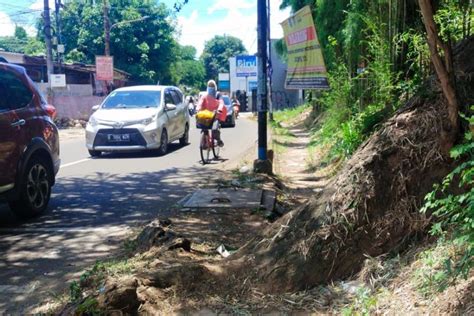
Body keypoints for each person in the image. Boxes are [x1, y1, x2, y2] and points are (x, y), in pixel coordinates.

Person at [196, 80, 227, 146]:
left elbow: (221, 102)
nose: (211, 88)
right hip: (206, 115)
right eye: (210, 86)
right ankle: (205, 142)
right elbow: (200, 103)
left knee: (215, 129)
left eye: (212, 86)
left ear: (215, 87)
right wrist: (198, 109)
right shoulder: (204, 95)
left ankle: (218, 140)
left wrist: (219, 109)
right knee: (203, 127)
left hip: (215, 115)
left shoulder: (218, 95)